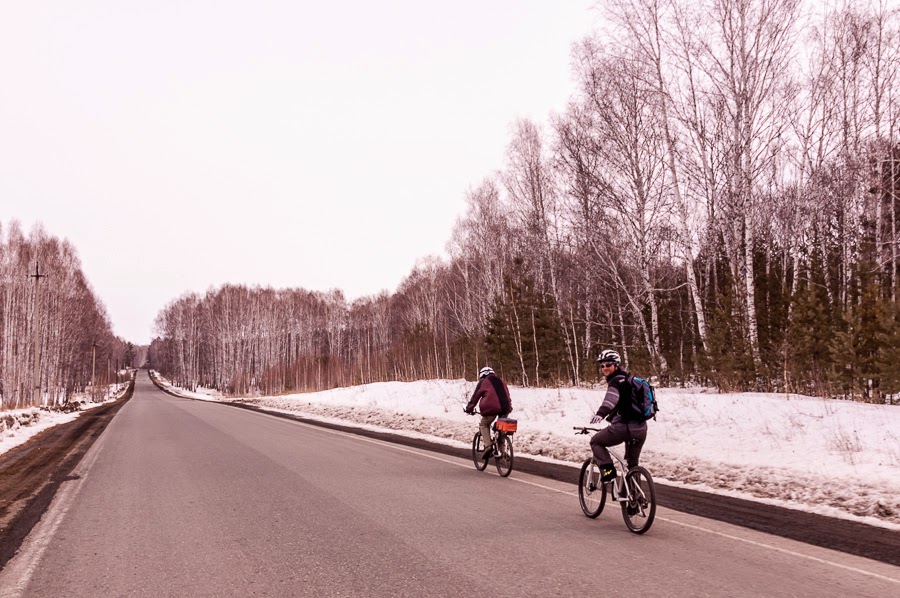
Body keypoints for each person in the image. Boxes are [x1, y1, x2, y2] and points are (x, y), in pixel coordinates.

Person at [589, 349, 647, 485]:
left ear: (616, 365)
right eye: (602, 365)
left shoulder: (616, 382)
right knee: (632, 465)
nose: (605, 368)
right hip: (641, 429)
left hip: (623, 428)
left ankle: (608, 472)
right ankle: (635, 500)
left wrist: (600, 413)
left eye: (608, 365)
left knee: (596, 442)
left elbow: (611, 400)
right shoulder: (630, 380)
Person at [464, 366, 513, 461]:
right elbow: (507, 395)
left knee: (484, 424)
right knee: (500, 427)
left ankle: (488, 446)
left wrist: (469, 408)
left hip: (491, 409)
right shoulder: (501, 381)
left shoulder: (484, 382)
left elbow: (475, 397)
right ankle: (503, 451)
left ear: (483, 375)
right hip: (505, 408)